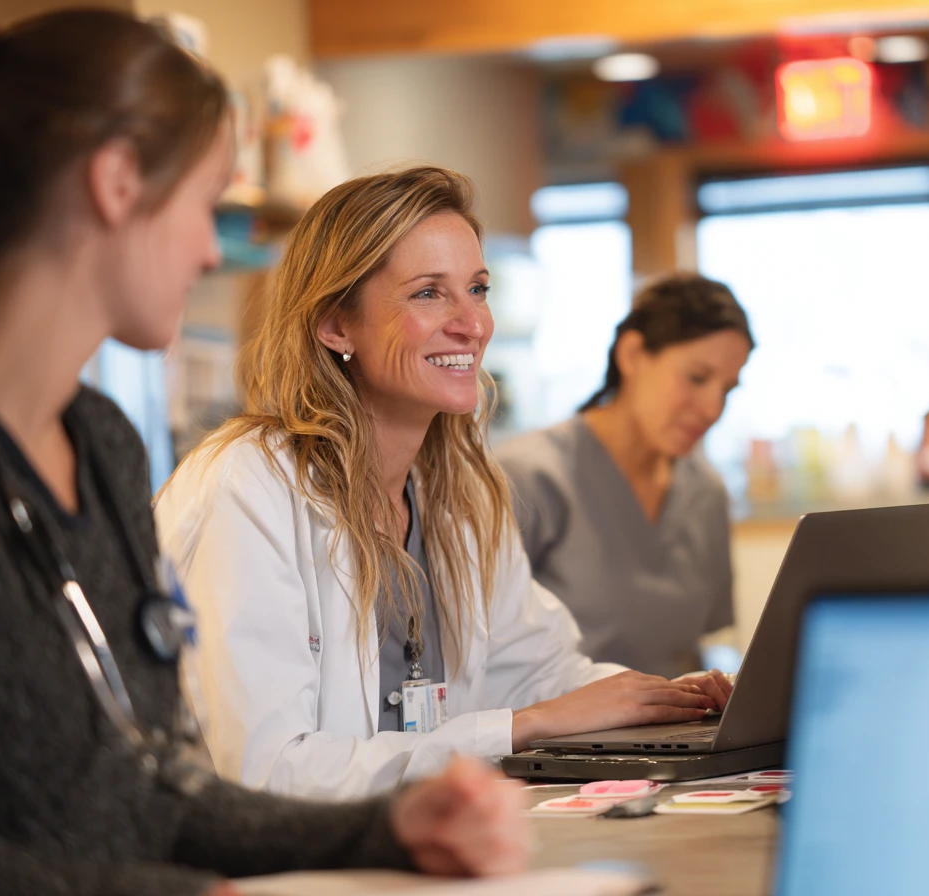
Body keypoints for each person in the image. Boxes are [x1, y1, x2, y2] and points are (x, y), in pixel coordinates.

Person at [0, 12, 528, 896]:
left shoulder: (101, 445)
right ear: (117, 183)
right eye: (205, 203)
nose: (213, 249)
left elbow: (155, 789)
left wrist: (385, 828)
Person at [155, 165, 733, 800]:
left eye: (477, 289)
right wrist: (521, 727)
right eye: (429, 293)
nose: (472, 324)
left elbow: (539, 672)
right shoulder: (247, 485)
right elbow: (268, 773)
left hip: (415, 837)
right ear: (336, 324)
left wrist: (667, 701)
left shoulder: (461, 495)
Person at [496, 274, 753, 678]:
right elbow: (483, 657)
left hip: (679, 716)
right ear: (632, 354)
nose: (712, 409)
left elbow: (702, 649)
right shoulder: (528, 477)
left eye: (727, 390)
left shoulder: (706, 493)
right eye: (697, 378)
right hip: (559, 718)